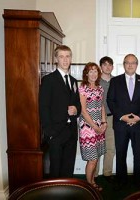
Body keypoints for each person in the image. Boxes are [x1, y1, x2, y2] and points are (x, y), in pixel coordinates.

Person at [107, 53, 140, 190]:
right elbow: (110, 101)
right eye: (127, 62)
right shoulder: (115, 81)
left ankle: (139, 181)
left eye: (133, 63)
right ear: (124, 65)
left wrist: (139, 117)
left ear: (137, 65)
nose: (130, 65)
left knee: (139, 154)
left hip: (138, 125)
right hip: (121, 124)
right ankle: (121, 180)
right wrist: (122, 116)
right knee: (121, 153)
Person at [39, 45, 81, 178]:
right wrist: (49, 132)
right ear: (56, 58)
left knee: (68, 167)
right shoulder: (49, 80)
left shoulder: (73, 81)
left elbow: (78, 104)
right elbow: (43, 107)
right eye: (61, 56)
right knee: (55, 169)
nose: (65, 60)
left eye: (68, 56)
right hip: (56, 132)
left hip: (71, 132)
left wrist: (76, 109)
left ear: (71, 58)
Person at [78, 62, 107, 191]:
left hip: (99, 126)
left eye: (96, 71)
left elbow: (101, 106)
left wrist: (104, 122)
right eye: (91, 71)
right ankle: (89, 186)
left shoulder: (100, 88)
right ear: (86, 74)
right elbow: (83, 111)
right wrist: (95, 126)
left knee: (96, 157)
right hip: (87, 128)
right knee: (92, 159)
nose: (93, 74)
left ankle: (92, 181)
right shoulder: (83, 88)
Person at [96, 56, 115, 183]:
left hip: (112, 117)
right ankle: (94, 173)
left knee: (110, 147)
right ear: (101, 67)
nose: (107, 67)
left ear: (112, 67)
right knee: (96, 147)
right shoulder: (95, 81)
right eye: (105, 64)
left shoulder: (117, 81)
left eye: (110, 65)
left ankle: (107, 173)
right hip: (96, 119)